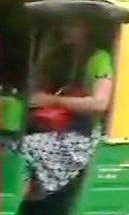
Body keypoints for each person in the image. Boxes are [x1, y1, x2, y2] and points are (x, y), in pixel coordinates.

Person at [20, 16, 113, 200]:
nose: (63, 29)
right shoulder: (63, 57)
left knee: (23, 148)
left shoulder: (99, 59)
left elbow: (100, 103)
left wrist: (51, 101)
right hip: (56, 127)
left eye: (71, 24)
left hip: (81, 135)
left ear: (87, 29)